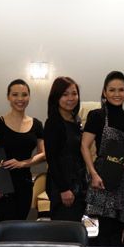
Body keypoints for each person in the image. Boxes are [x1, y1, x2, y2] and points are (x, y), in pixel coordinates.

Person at [82, 71, 124, 247]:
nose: (117, 94)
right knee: (104, 231)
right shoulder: (96, 115)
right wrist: (93, 174)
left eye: (121, 90)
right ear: (105, 92)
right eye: (112, 90)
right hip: (103, 178)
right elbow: (85, 146)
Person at [0, 79, 45, 222]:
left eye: (24, 95)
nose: (20, 99)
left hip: (24, 182)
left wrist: (22, 164)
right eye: (15, 95)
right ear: (8, 97)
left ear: (29, 97)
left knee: (20, 225)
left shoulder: (37, 124)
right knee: (6, 225)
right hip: (2, 183)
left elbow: (43, 154)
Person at [44, 76, 88, 221]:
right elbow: (52, 158)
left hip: (78, 183)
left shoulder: (75, 120)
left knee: (76, 229)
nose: (71, 98)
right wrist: (64, 189)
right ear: (56, 97)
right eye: (65, 94)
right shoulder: (53, 123)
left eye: (74, 93)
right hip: (63, 186)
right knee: (64, 233)